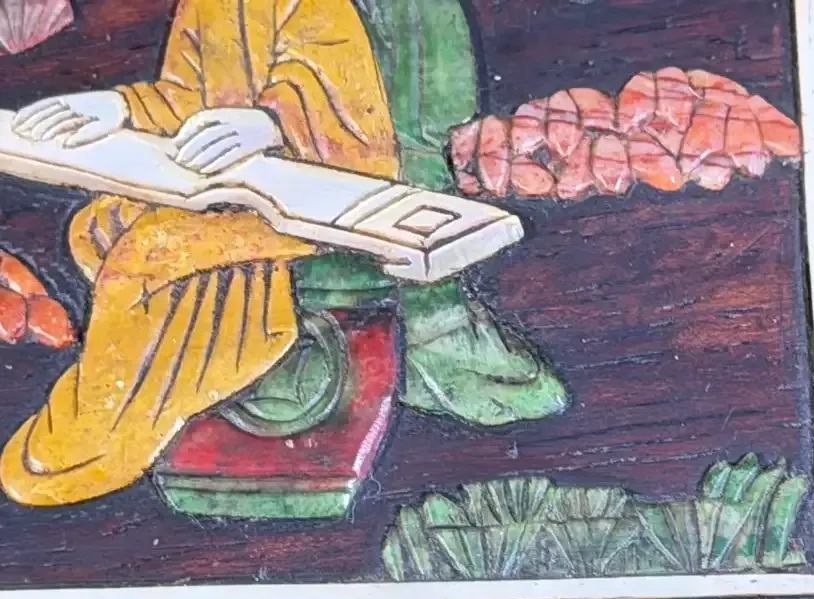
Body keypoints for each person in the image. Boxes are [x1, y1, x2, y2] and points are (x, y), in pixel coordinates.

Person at [0, 0, 567, 508]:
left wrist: (271, 123)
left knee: (149, 255)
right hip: (230, 182)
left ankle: (105, 431)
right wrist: (118, 107)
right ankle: (150, 387)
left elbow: (362, 122)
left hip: (329, 186)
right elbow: (185, 98)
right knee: (99, 225)